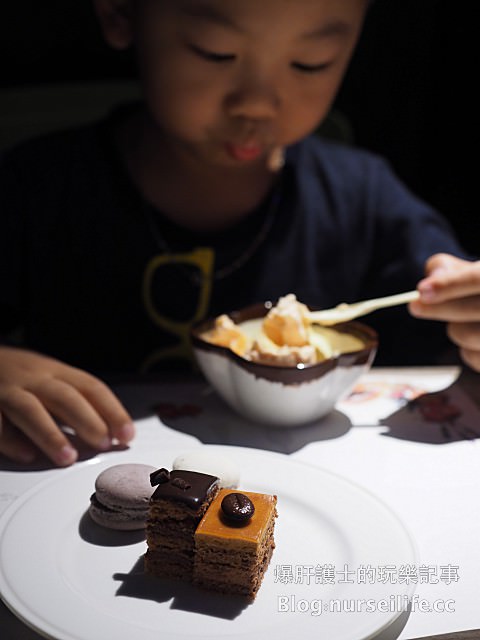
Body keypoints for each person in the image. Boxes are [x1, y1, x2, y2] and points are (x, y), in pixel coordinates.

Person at [0, 0, 478, 467]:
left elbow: (450, 334)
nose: (257, 103)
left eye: (310, 63)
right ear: (120, 13)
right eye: (216, 52)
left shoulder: (364, 197)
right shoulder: (37, 186)